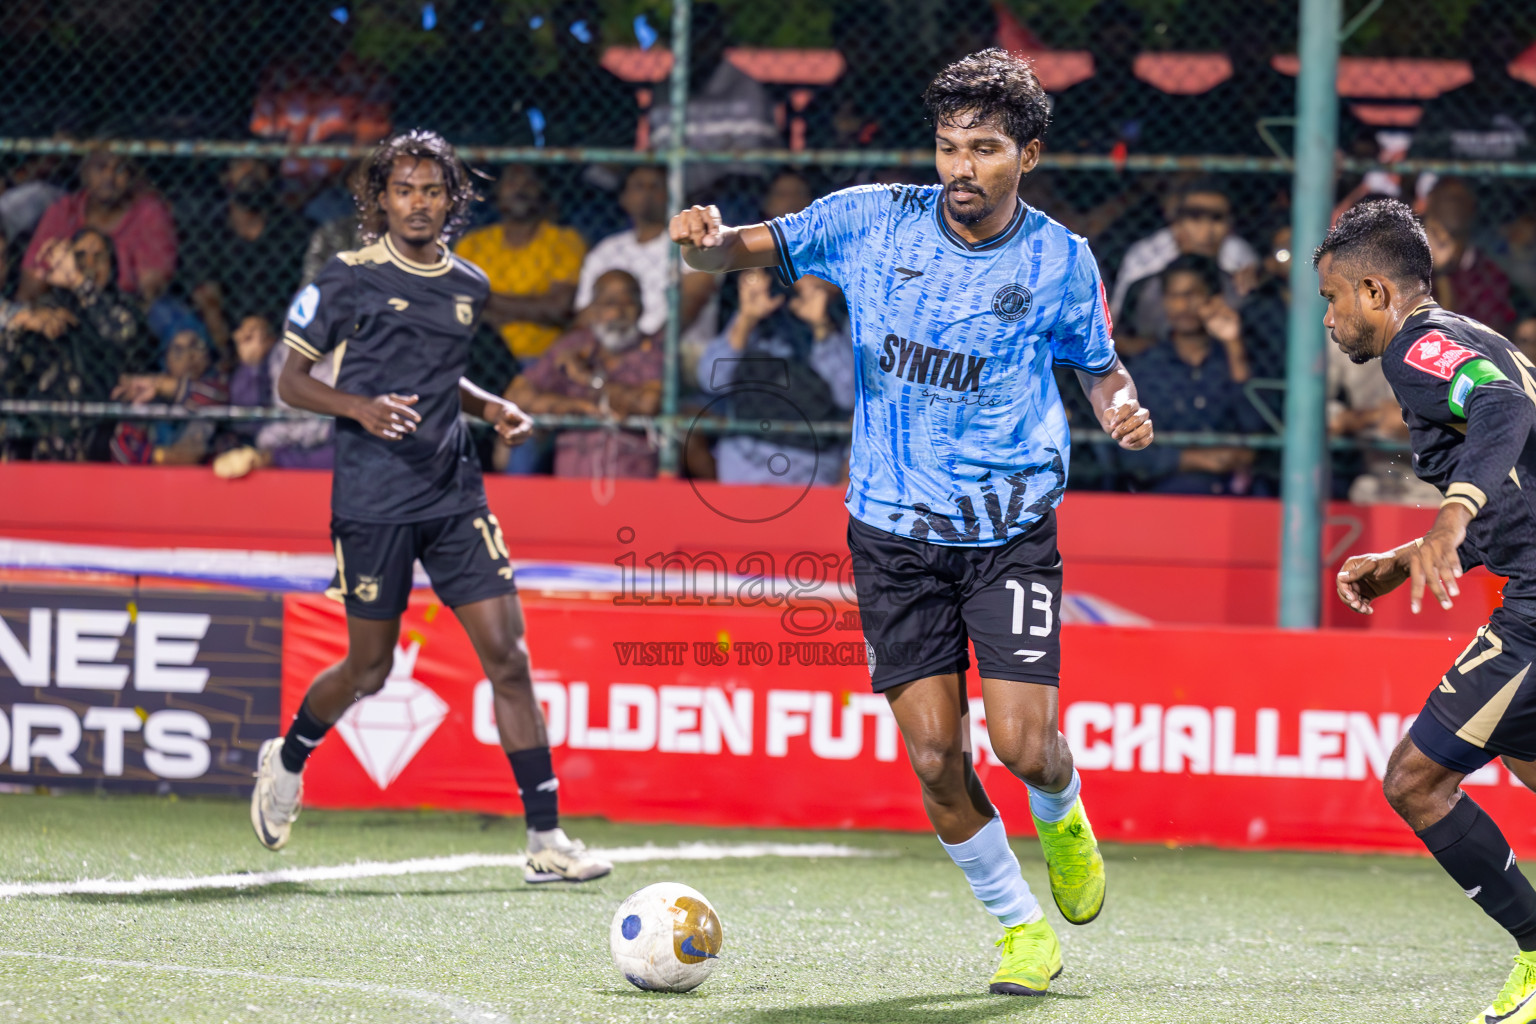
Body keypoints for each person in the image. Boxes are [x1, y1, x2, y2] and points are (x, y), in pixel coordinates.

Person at [669, 49, 1153, 996]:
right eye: (947, 147)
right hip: (890, 533)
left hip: (1008, 526)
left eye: (984, 149)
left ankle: (1062, 812)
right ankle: (1021, 933)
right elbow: (732, 251)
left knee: (1022, 747)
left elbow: (1101, 365)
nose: (961, 168)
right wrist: (701, 240)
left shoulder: (1060, 260)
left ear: (1029, 156)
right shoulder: (869, 219)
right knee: (936, 758)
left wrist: (1117, 405)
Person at [249, 130, 610, 884]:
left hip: (453, 497)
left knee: (508, 659)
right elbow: (290, 381)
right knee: (370, 668)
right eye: (405, 190)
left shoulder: (468, 285)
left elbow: (443, 380)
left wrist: (492, 407)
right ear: (380, 199)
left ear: (452, 200)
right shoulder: (344, 278)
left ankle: (546, 839)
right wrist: (359, 407)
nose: (419, 203)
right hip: (373, 501)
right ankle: (288, 759)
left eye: (432, 190)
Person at [1322, 199, 1536, 1024]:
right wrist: (1412, 557)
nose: (1332, 319)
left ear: (1376, 290)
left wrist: (1450, 515)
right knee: (1524, 751)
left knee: (1414, 781)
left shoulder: (1416, 348)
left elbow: (1503, 414)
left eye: (1334, 299)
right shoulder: (1466, 335)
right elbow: (1521, 490)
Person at [697, 268, 854, 486]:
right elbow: (710, 379)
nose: (806, 276)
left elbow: (847, 395)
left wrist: (821, 328)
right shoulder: (763, 304)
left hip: (811, 461)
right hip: (744, 454)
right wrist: (746, 319)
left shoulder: (849, 313)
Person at [1119, 255, 1260, 495]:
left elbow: (1257, 425)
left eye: (1193, 294)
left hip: (1238, 486)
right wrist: (1191, 459)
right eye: (1175, 296)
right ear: (1164, 302)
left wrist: (1234, 345)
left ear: (1214, 299)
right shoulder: (1145, 368)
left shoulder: (1238, 357)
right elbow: (1129, 453)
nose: (1184, 305)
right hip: (1169, 489)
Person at [501, 269, 662, 479]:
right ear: (593, 310)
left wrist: (588, 380)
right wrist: (581, 407)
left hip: (633, 478)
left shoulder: (653, 349)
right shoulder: (575, 344)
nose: (618, 312)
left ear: (640, 308)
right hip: (573, 478)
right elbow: (514, 396)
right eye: (609, 302)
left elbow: (648, 403)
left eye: (627, 302)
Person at [573, 165, 718, 371]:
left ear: (672, 195)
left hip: (678, 349)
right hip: (611, 346)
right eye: (639, 186)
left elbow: (691, 303)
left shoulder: (693, 243)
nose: (647, 192)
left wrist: (647, 351)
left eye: (656, 186)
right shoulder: (606, 250)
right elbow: (586, 315)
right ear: (624, 198)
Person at [454, 164, 586, 363]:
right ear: (497, 191)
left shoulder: (565, 241)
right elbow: (458, 305)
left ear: (543, 191)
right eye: (512, 182)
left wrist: (487, 301)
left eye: (530, 183)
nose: (520, 189)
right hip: (480, 356)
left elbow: (559, 308)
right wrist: (532, 308)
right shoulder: (472, 244)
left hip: (544, 358)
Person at [1109, 178, 1257, 354]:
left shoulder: (1240, 255)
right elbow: (1115, 330)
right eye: (1195, 217)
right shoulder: (1146, 256)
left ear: (1230, 224)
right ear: (1177, 222)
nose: (1206, 231)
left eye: (1217, 218)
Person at [181, 158, 310, 352]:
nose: (251, 171)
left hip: (282, 333)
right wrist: (228, 350)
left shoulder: (294, 230)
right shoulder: (208, 230)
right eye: (241, 164)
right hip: (228, 333)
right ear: (226, 175)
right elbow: (208, 299)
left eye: (259, 164)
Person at [20, 149, 177, 303]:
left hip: (127, 306)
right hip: (65, 303)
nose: (109, 176)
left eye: (120, 168)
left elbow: (151, 289)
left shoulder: (148, 212)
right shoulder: (64, 210)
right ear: (85, 172)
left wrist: (79, 280)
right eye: (101, 167)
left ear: (130, 175)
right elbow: (32, 281)